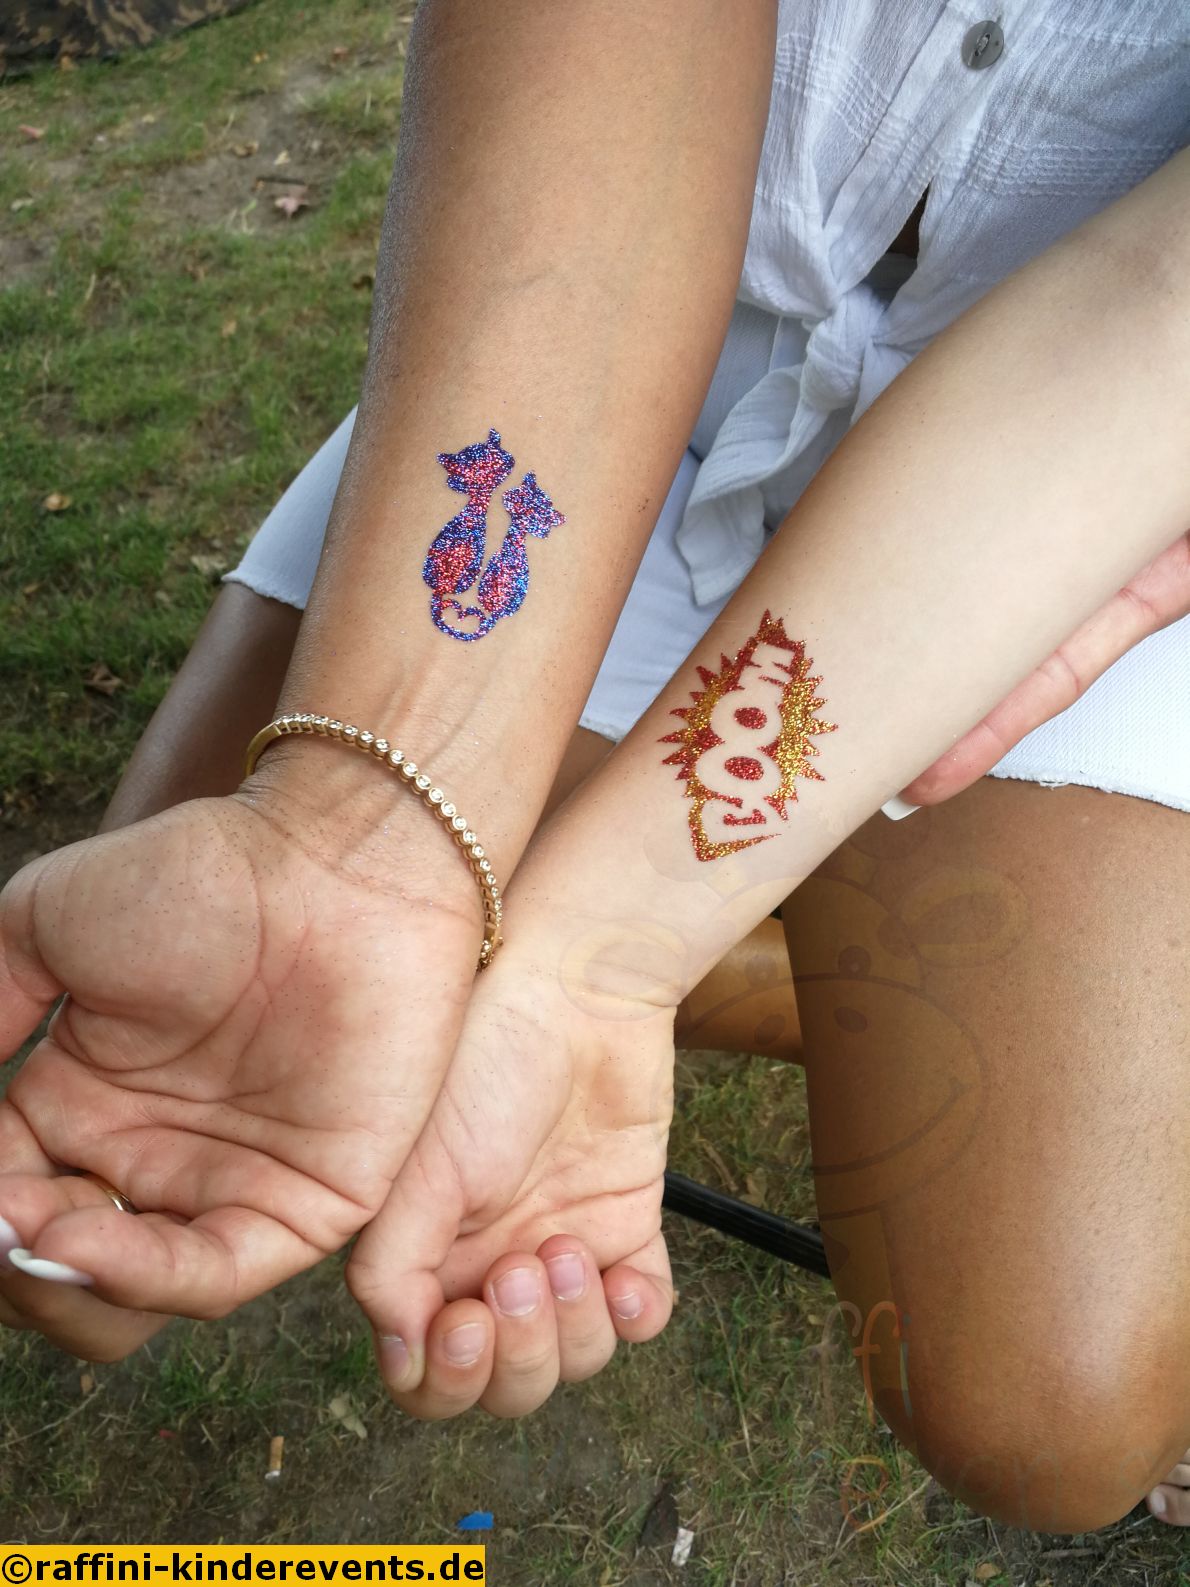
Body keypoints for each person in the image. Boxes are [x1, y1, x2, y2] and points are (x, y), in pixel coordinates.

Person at [1, 0, 1187, 1534]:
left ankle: (851, 983)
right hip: (604, 345)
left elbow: (1158, 306)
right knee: (164, 1089)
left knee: (1047, 1417)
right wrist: (360, 839)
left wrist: (605, 950)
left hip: (1107, 454)